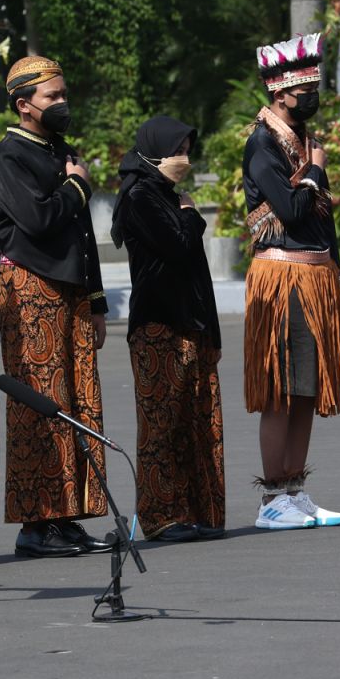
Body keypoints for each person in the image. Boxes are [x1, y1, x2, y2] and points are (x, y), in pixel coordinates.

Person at [0, 56, 115, 559]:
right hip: (32, 289)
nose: (63, 103)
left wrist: (98, 300)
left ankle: (69, 517)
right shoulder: (10, 155)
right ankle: (37, 524)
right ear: (24, 106)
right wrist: (78, 186)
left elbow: (83, 234)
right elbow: (38, 221)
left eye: (64, 94)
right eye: (52, 98)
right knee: (42, 401)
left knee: (79, 400)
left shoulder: (61, 149)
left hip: (71, 290)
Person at [243, 33, 340, 530]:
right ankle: (271, 501)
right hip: (281, 277)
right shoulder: (262, 144)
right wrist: (315, 173)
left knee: (305, 388)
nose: (312, 95)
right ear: (279, 92)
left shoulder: (301, 141)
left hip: (313, 275)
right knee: (281, 389)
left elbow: (318, 221)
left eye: (315, 85)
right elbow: (288, 211)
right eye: (304, 88)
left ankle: (295, 489)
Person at [111, 115, 225, 542]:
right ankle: (161, 517)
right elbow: (178, 246)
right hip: (158, 324)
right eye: (178, 150)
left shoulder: (166, 194)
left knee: (194, 423)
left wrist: (210, 332)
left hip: (189, 321)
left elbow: (196, 270)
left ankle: (197, 511)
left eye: (186, 150)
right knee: (162, 424)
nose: (185, 159)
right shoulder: (139, 196)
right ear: (153, 151)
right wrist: (194, 218)